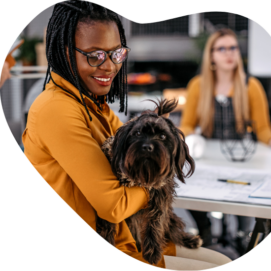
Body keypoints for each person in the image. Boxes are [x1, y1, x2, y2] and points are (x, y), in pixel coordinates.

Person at [22, 1, 232, 270]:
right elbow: (114, 205)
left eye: (116, 54)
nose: (109, 66)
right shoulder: (56, 109)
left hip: (129, 237)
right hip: (113, 239)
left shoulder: (93, 104)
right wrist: (157, 184)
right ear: (65, 52)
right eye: (95, 55)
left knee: (221, 260)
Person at [179, 28, 271, 255]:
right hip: (207, 160)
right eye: (222, 48)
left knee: (243, 208)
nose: (229, 53)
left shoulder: (250, 85)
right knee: (190, 189)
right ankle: (205, 230)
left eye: (233, 48)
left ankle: (241, 237)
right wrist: (188, 136)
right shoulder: (198, 85)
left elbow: (264, 128)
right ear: (212, 56)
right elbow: (186, 125)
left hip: (242, 161)